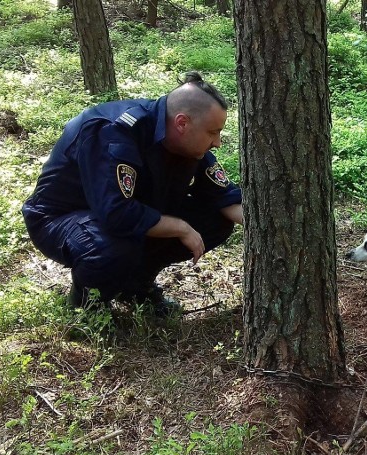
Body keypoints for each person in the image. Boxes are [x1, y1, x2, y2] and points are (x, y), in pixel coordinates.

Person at [22, 71, 243, 317]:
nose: (218, 143)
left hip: (122, 214)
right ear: (182, 123)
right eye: (213, 132)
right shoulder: (113, 132)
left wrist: (274, 227)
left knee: (217, 220)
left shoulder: (187, 141)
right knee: (113, 245)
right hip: (60, 219)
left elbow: (222, 196)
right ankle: (86, 311)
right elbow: (116, 213)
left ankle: (136, 285)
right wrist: (179, 227)